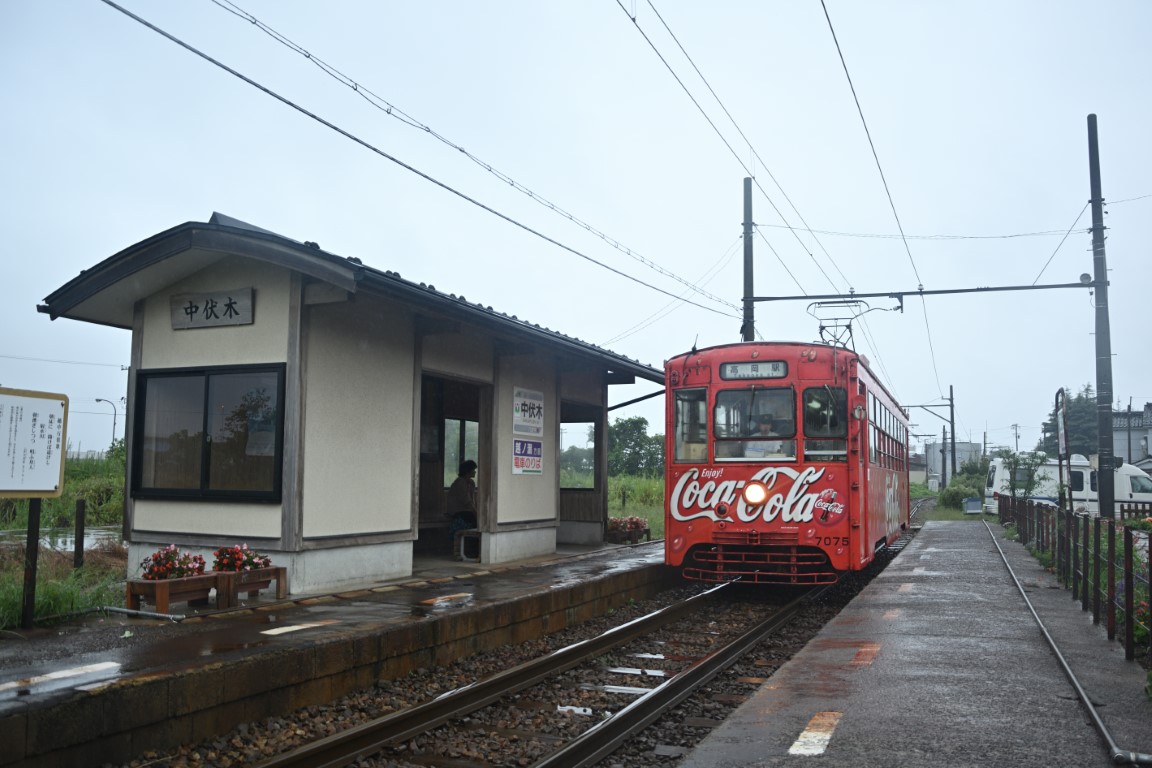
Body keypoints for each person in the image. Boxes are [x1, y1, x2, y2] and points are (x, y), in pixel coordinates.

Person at [447, 459, 478, 537]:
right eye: (473, 470)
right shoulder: (460, 483)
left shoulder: (471, 483)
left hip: (467, 511)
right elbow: (467, 501)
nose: (475, 472)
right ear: (468, 471)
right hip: (458, 511)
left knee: (475, 517)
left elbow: (472, 500)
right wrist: (476, 513)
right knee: (472, 518)